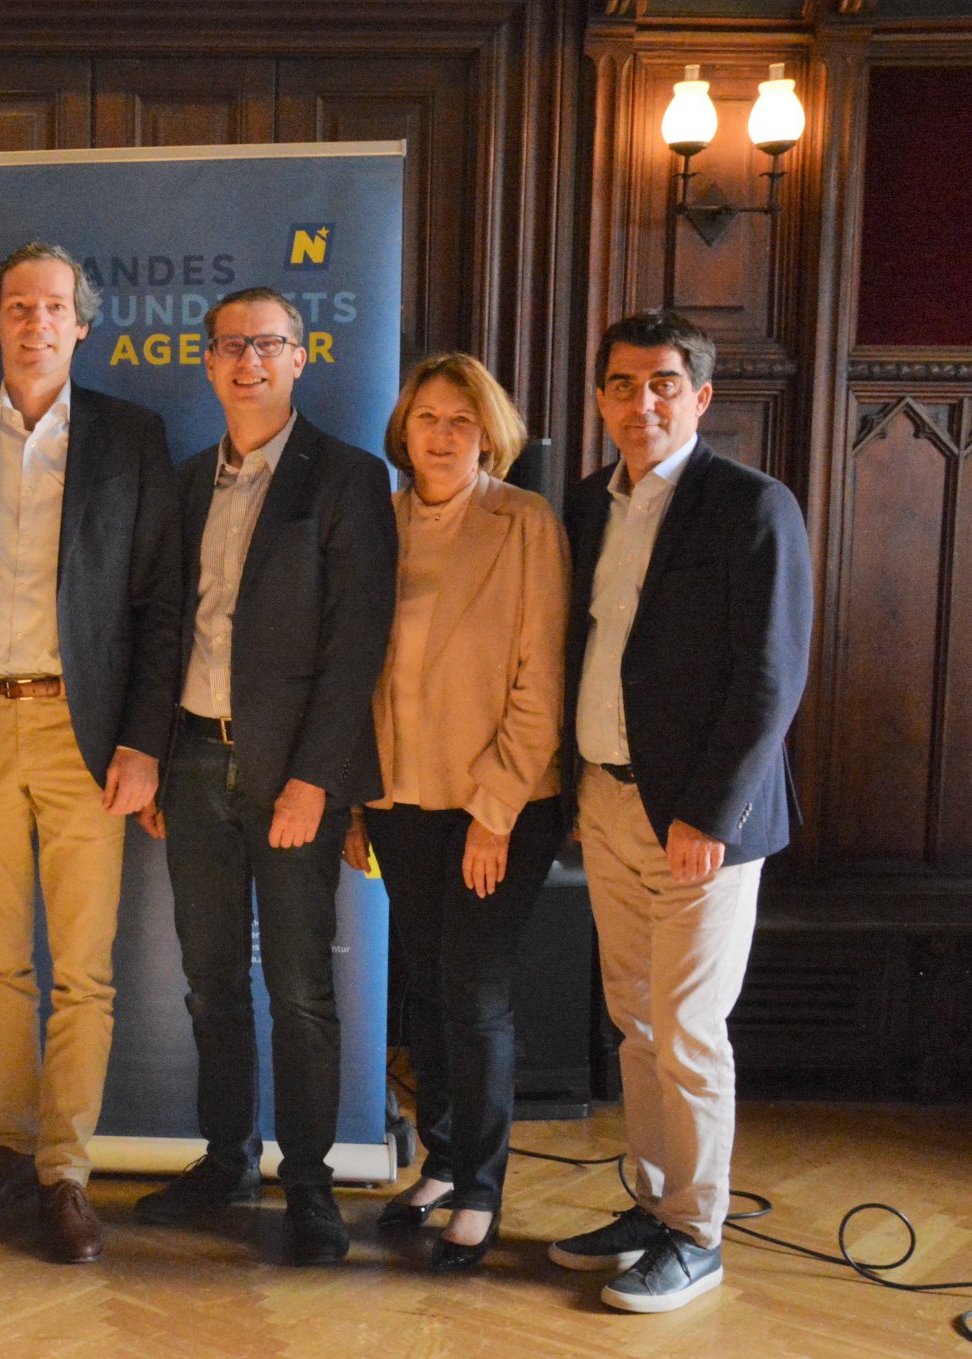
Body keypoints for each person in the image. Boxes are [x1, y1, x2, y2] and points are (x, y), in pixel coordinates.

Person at [0, 242, 179, 1263]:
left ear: (80, 325)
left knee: (87, 972)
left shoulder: (130, 438)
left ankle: (65, 1171)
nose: (33, 322)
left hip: (85, 732)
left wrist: (142, 744)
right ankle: (13, 1149)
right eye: (16, 306)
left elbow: (157, 608)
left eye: (52, 307)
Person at [547, 310, 811, 1312]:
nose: (639, 401)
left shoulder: (749, 505)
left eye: (661, 383)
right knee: (635, 1023)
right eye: (620, 384)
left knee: (688, 1028)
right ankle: (652, 1206)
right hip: (605, 802)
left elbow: (770, 680)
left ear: (698, 397)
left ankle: (696, 1234)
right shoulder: (584, 505)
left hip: (702, 821)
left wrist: (706, 813)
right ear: (601, 399)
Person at [133, 287, 395, 1265]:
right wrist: (155, 758)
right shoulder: (184, 480)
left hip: (292, 775)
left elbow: (354, 641)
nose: (247, 360)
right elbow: (161, 628)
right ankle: (224, 1158)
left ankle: (310, 1182)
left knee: (298, 989)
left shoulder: (345, 478)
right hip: (193, 759)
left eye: (268, 344)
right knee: (208, 980)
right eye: (229, 345)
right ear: (206, 363)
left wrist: (314, 781)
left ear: (300, 359)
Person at [340, 353, 570, 1271]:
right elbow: (362, 672)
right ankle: (440, 1160)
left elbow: (540, 678)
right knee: (428, 989)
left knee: (475, 996)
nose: (441, 435)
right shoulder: (380, 523)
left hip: (495, 808)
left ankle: (481, 1186)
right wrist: (361, 800)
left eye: (461, 421)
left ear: (490, 434)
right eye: (428, 417)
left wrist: (496, 811)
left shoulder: (524, 523)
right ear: (405, 429)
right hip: (399, 799)